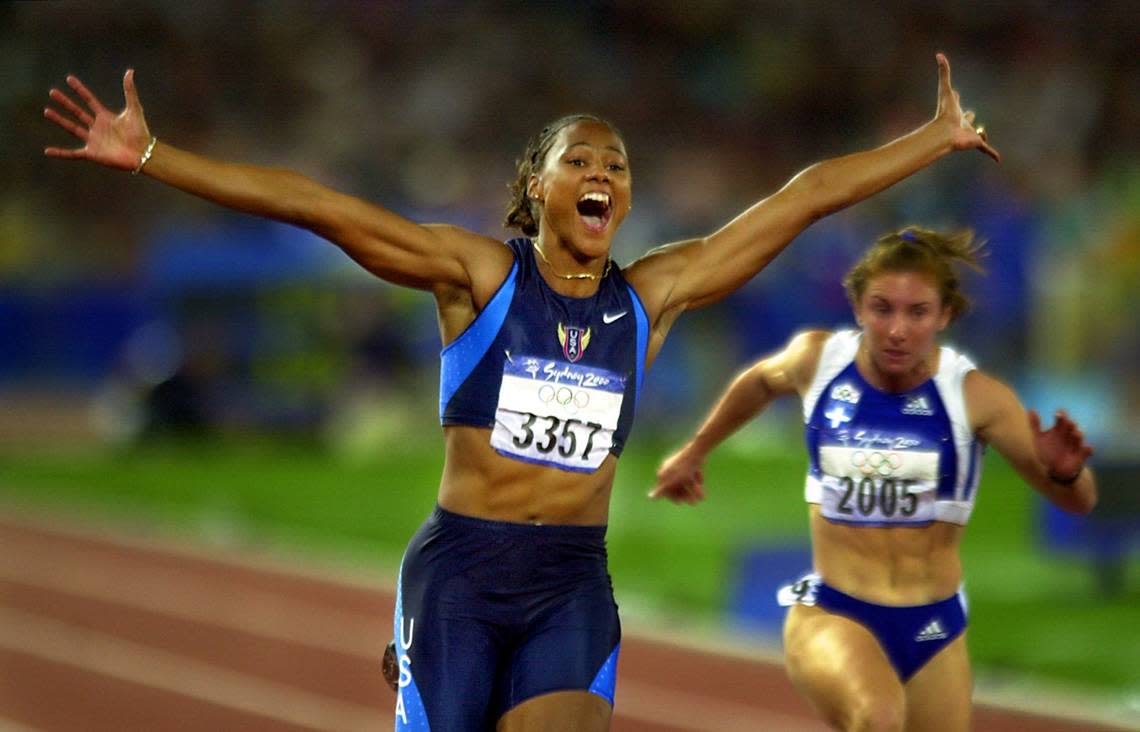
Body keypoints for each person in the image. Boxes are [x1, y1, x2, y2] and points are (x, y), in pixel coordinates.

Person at [45, 54, 997, 732]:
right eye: (578, 160)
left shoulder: (650, 298)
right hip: (460, 574)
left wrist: (935, 138)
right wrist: (153, 156)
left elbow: (807, 195)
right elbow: (320, 207)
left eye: (616, 164)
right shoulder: (476, 279)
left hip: (571, 582)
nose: (601, 174)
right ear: (535, 186)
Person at [651, 226, 1098, 732]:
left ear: (944, 315)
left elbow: (1079, 503)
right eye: (882, 309)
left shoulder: (977, 398)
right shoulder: (818, 361)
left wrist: (1067, 473)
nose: (897, 330)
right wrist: (695, 450)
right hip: (834, 612)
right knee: (878, 718)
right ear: (858, 307)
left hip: (934, 627)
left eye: (917, 312)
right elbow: (758, 381)